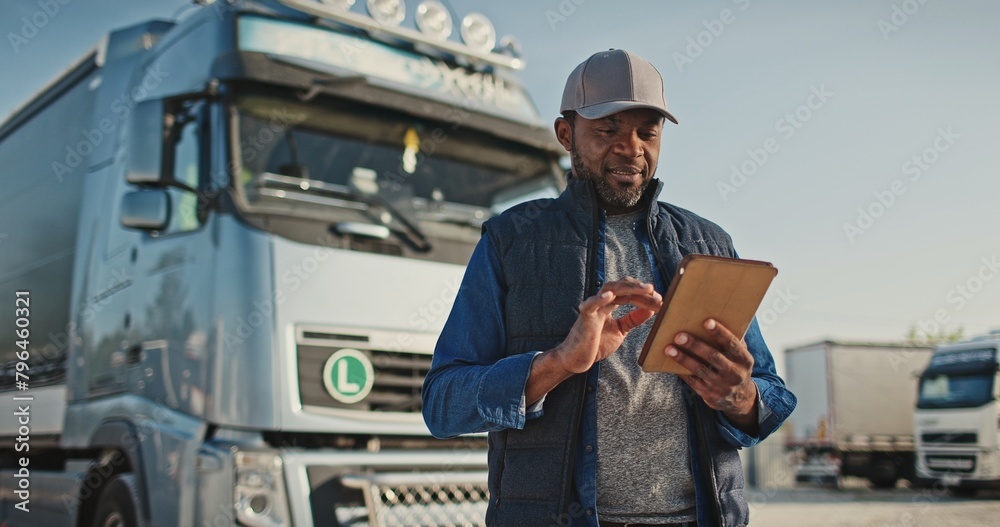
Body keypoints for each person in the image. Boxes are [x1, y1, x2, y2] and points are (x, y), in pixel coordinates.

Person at [422, 49, 796, 527]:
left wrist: (739, 396)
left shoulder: (711, 245)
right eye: (608, 130)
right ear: (565, 134)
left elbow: (772, 397)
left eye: (648, 131)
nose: (631, 147)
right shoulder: (510, 240)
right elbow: (442, 404)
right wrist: (557, 363)